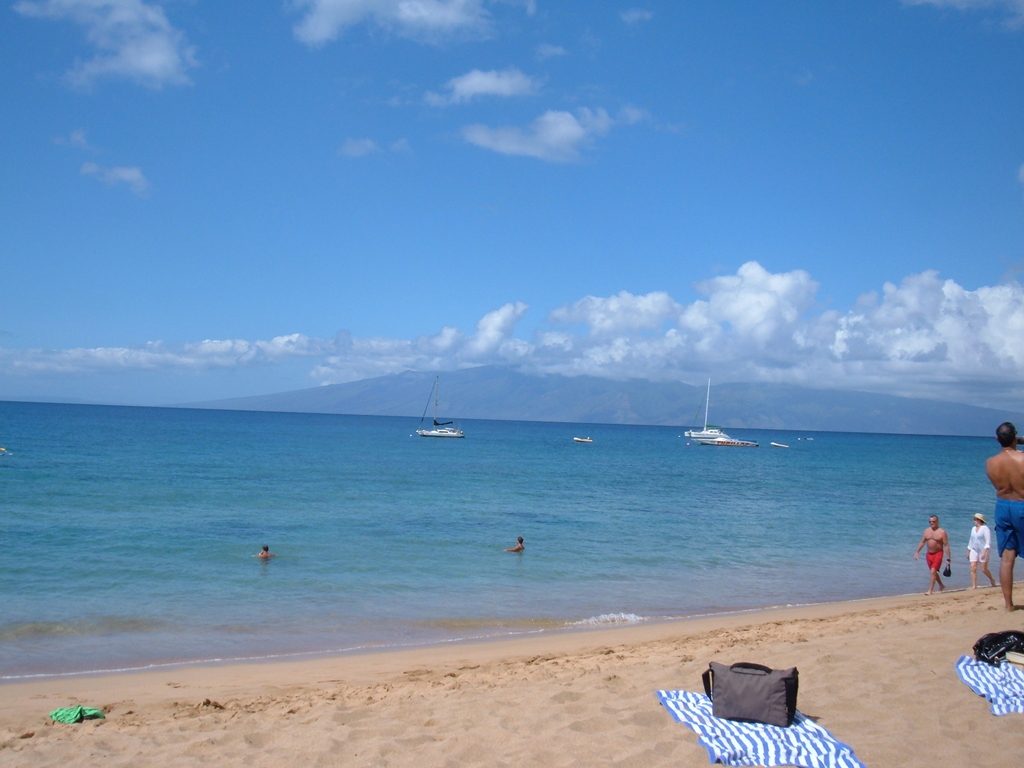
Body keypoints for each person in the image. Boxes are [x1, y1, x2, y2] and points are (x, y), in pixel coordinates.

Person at [985, 421, 1024, 611]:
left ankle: (1008, 605)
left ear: (997, 439)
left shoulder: (991, 463)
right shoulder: (1022, 459)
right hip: (1022, 504)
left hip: (1002, 505)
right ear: (1016, 437)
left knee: (1007, 558)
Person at [914, 515, 950, 595]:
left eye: (933, 521)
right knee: (932, 572)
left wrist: (948, 559)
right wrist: (917, 552)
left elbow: (946, 545)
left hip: (938, 553)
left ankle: (930, 590)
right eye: (930, 521)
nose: (931, 523)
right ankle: (941, 585)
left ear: (937, 522)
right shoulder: (927, 531)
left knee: (933, 571)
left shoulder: (942, 532)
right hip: (929, 554)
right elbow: (922, 542)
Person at [967, 513, 997, 589]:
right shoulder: (973, 529)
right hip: (974, 550)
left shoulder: (985, 528)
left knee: (983, 569)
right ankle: (974, 585)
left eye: (975, 519)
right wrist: (968, 550)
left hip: (983, 550)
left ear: (979, 520)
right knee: (973, 567)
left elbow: (988, 541)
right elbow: (971, 540)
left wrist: (984, 552)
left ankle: (992, 579)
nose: (974, 521)